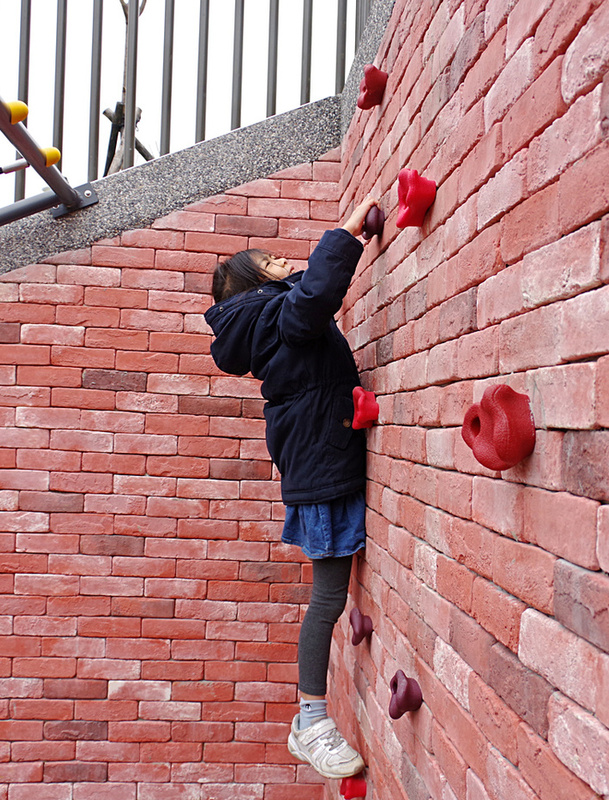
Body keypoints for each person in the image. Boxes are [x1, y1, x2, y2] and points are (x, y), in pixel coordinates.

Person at [203, 195, 379, 780]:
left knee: (328, 597)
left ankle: (309, 720)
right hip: (321, 470)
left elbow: (305, 293)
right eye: (274, 261)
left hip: (320, 460)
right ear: (257, 282)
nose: (286, 262)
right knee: (327, 600)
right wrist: (345, 232)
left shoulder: (265, 320)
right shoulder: (280, 318)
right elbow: (313, 299)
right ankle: (311, 721)